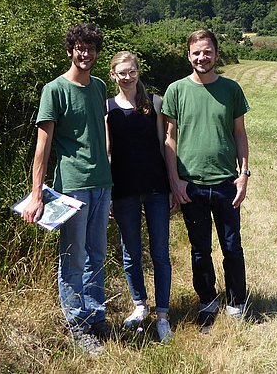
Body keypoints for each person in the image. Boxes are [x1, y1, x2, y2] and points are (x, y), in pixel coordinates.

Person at [22, 22, 112, 355]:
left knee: (97, 254)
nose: (85, 54)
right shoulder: (54, 90)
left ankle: (96, 315)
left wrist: (110, 176)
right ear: (70, 50)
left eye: (91, 49)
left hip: (102, 184)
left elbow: (100, 134)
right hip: (71, 186)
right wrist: (36, 193)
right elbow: (42, 147)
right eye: (80, 48)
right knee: (73, 258)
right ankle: (76, 323)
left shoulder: (99, 86)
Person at [161, 29, 251, 331]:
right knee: (200, 249)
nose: (202, 57)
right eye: (196, 52)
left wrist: (243, 175)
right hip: (191, 186)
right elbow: (170, 139)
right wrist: (174, 180)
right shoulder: (175, 90)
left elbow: (240, 134)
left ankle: (238, 302)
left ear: (216, 53)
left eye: (207, 51)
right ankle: (208, 302)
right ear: (189, 55)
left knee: (232, 246)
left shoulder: (232, 89)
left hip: (226, 183)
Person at [105, 51, 173, 343]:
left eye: (131, 72)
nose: (127, 77)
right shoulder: (106, 108)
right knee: (130, 252)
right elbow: (107, 152)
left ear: (138, 71)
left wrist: (173, 184)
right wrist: (107, 192)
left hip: (156, 187)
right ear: (113, 75)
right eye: (122, 73)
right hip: (123, 190)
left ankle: (163, 314)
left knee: (160, 253)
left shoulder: (154, 104)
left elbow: (165, 144)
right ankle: (140, 306)